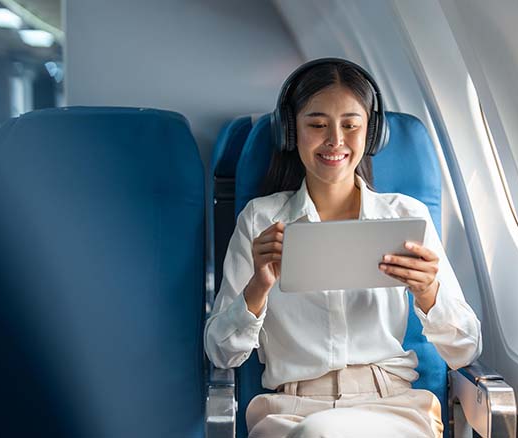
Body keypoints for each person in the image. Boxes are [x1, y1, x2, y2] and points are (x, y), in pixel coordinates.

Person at [204, 58, 482, 438]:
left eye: (350, 125)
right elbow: (222, 353)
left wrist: (429, 293)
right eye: (317, 125)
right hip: (292, 416)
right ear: (291, 132)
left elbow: (465, 350)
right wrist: (258, 288)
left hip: (393, 409)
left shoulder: (404, 216)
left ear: (370, 133)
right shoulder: (260, 220)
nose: (335, 140)